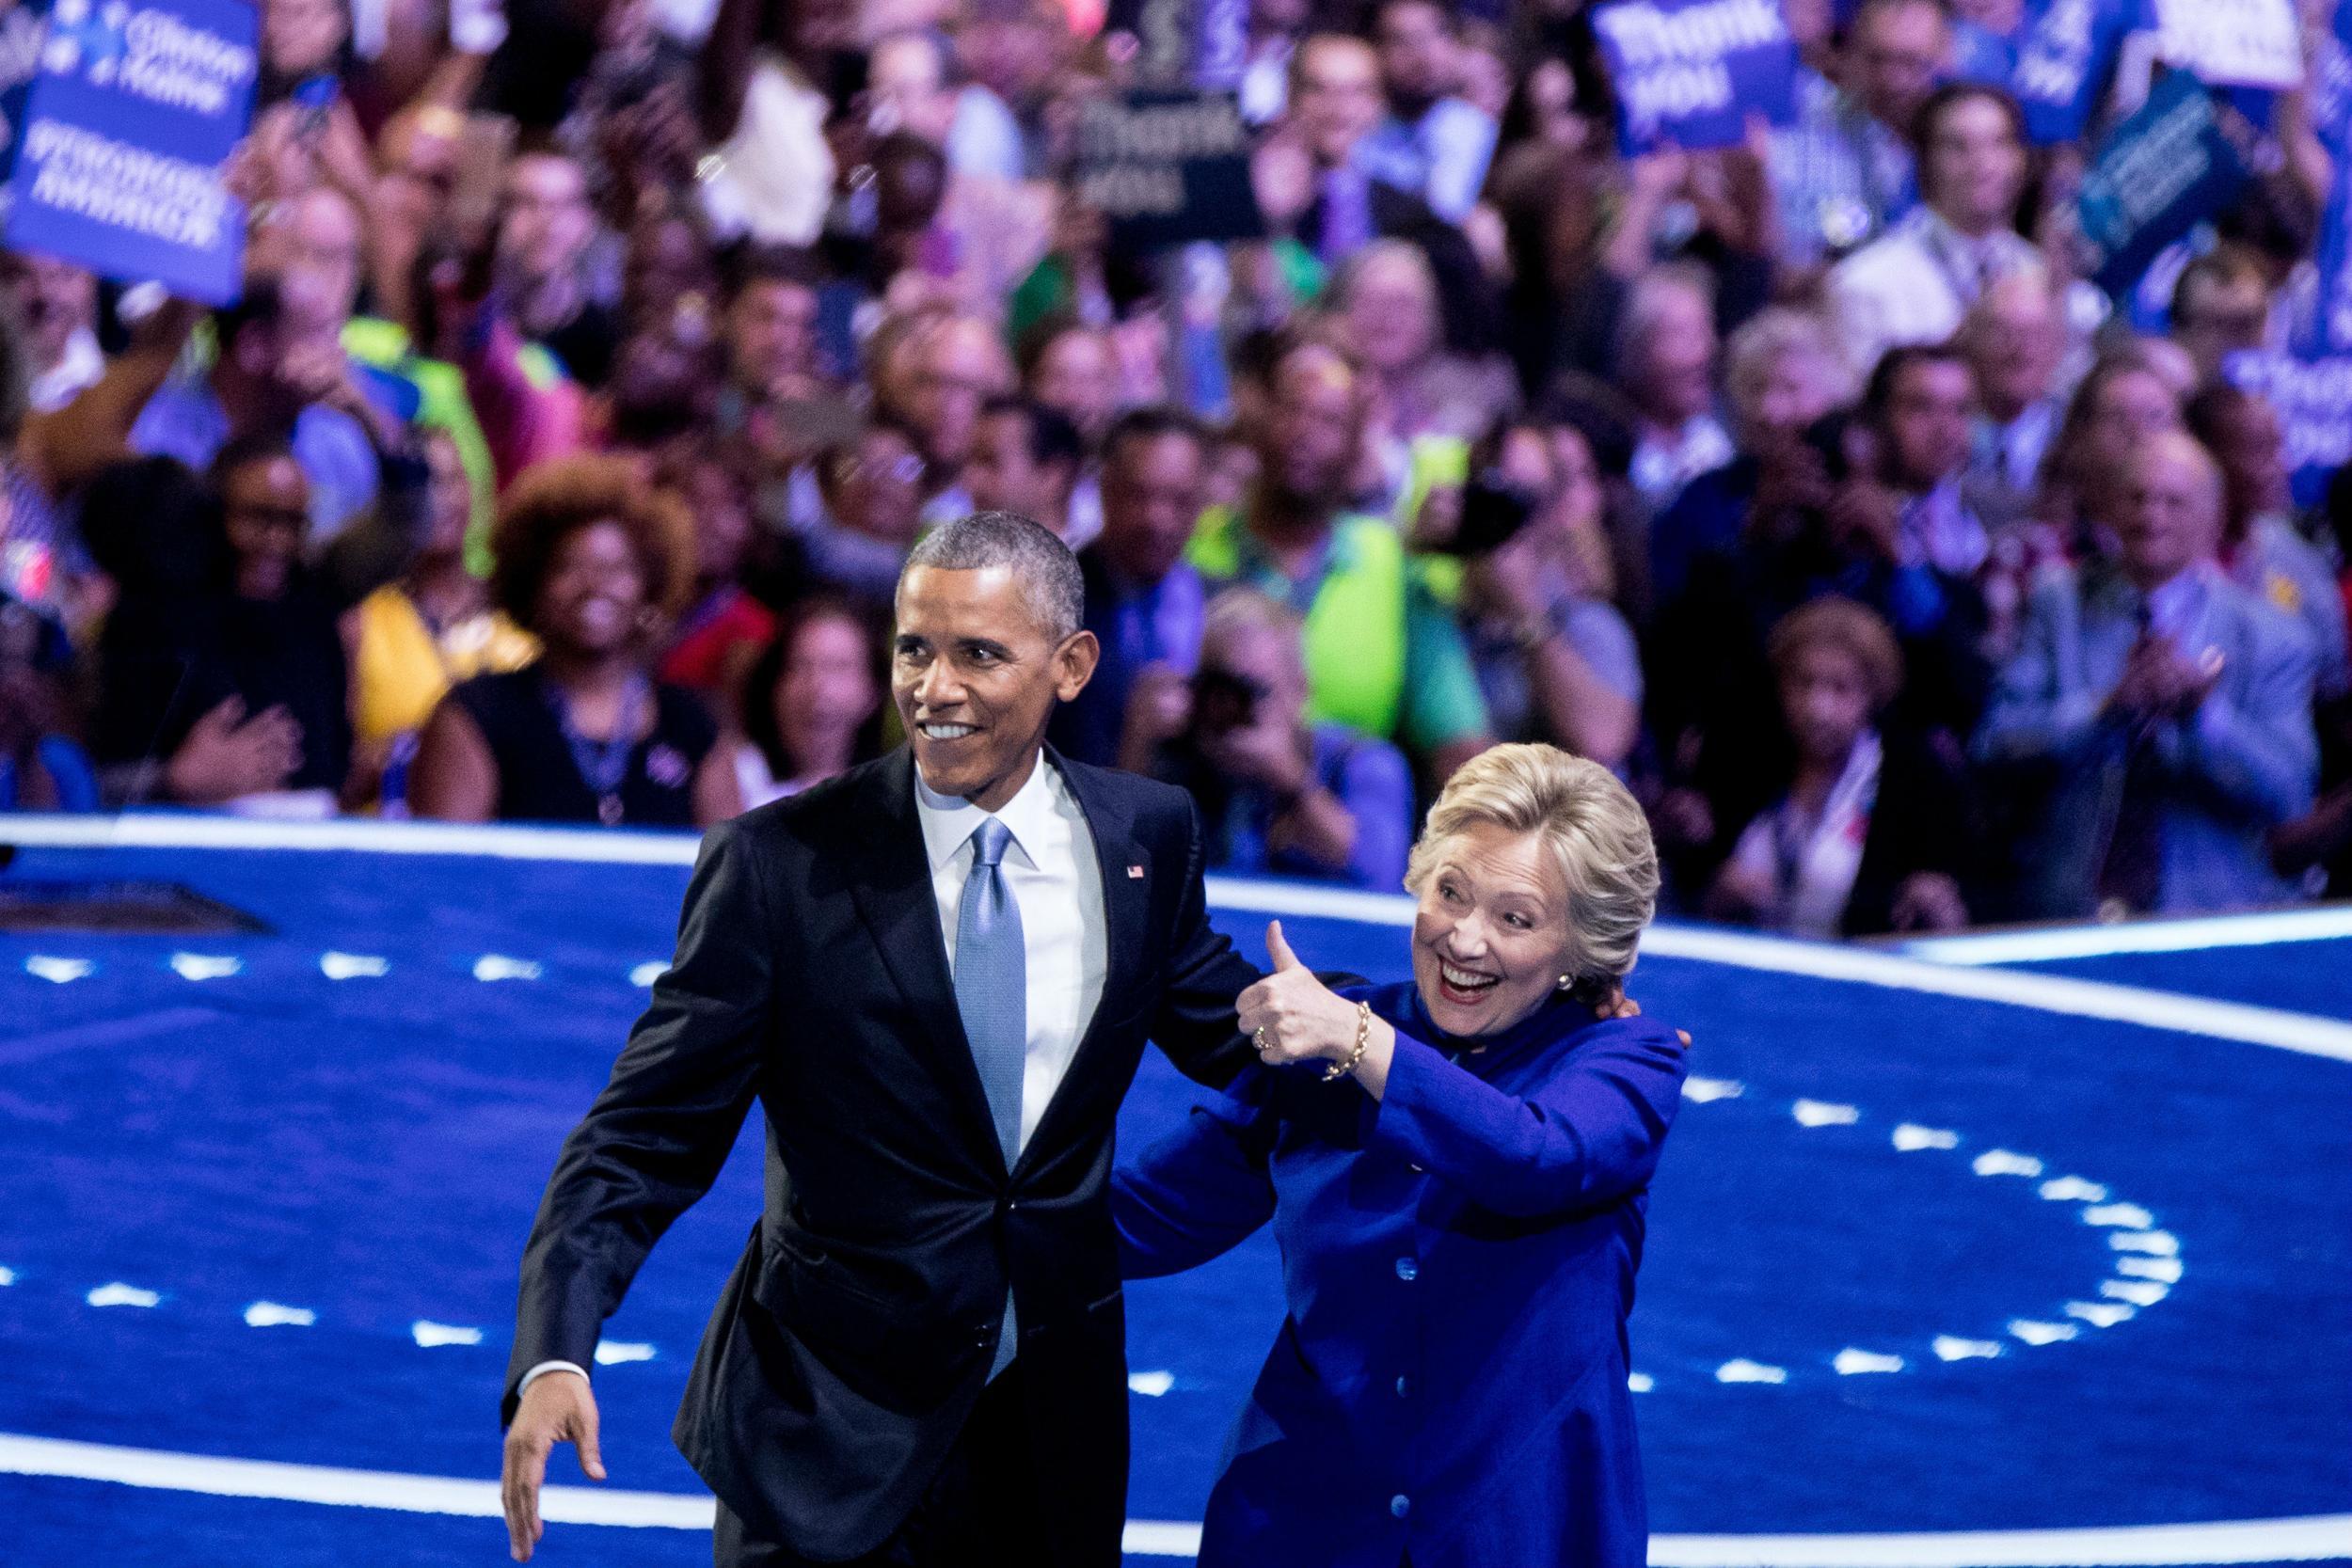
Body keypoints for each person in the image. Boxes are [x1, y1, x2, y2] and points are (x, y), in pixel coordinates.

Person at [499, 510, 1271, 1568]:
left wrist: (1449, 1037)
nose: (934, 687)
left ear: (1073, 664)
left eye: (979, 654)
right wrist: (554, 1350)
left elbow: (1244, 1028)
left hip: (1050, 1435)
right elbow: (638, 1139)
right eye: (915, 647)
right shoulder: (776, 866)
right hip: (824, 1432)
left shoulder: (1144, 837)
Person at [1111, 742, 1688, 1568]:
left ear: (1580, 948)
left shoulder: (1627, 1062)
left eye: (1515, 918)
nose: (1465, 938)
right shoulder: (1335, 1031)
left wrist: (1358, 1040)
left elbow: (1533, 1156)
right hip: (1300, 1524)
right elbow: (1151, 1216)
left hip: (1521, 1534)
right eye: (1450, 891)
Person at [1976, 432, 2320, 917]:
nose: (2151, 517)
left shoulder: (2271, 636)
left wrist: (2204, 718)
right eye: (2137, 498)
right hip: (2064, 908)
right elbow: (1997, 742)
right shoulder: (2059, 601)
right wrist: (2105, 710)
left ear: (2212, 519)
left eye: (2173, 502)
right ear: (2111, 509)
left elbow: (2289, 794)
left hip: (2208, 914)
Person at [1187, 329, 1493, 781]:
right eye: (1292, 410)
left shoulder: (1390, 561)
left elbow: (1458, 736)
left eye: (1329, 421)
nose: (1304, 435)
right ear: (1259, 420)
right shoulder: (1197, 547)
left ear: (1356, 447)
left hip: (1349, 807)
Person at [410, 454, 739, 828]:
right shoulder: (477, 714)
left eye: (618, 569)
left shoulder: (692, 725)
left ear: (649, 587)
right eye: (570, 566)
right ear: (532, 583)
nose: (595, 586)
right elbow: (442, 874)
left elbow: (735, 878)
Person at [1708, 597, 1974, 936]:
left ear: (1872, 694)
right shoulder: (1746, 762)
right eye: (1804, 683)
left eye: (1840, 688)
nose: (1818, 708)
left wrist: (1933, 902)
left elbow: (1952, 907)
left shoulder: (1912, 778)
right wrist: (1721, 892)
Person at [1152, 588, 1415, 890]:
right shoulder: (1183, 761)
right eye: (1219, 690)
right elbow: (1122, 863)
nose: (1232, 710)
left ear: (1300, 690)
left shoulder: (1365, 763)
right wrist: (1141, 742)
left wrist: (1293, 784)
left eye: (1253, 692)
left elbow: (1380, 878)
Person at [346, 428, 538, 813]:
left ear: (474, 491)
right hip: (393, 846)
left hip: (515, 848)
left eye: (452, 480)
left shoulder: (526, 611)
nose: (438, 500)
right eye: (423, 484)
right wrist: (397, 756)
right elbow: (335, 779)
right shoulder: (362, 619)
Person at [1826, 83, 2041, 380]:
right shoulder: (1865, 285)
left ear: (2022, 160)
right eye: (1957, 146)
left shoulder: (2043, 276)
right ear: (1924, 160)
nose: (1982, 164)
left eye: (1999, 144)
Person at [1051, 405, 1211, 769]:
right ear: (1104, 488)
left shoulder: (1222, 605)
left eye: (1179, 500)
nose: (1157, 519)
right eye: (1139, 495)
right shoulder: (1051, 601)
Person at [731, 594, 886, 807]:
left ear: (872, 694)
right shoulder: (733, 777)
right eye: (800, 665)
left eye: (838, 667)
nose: (818, 687)